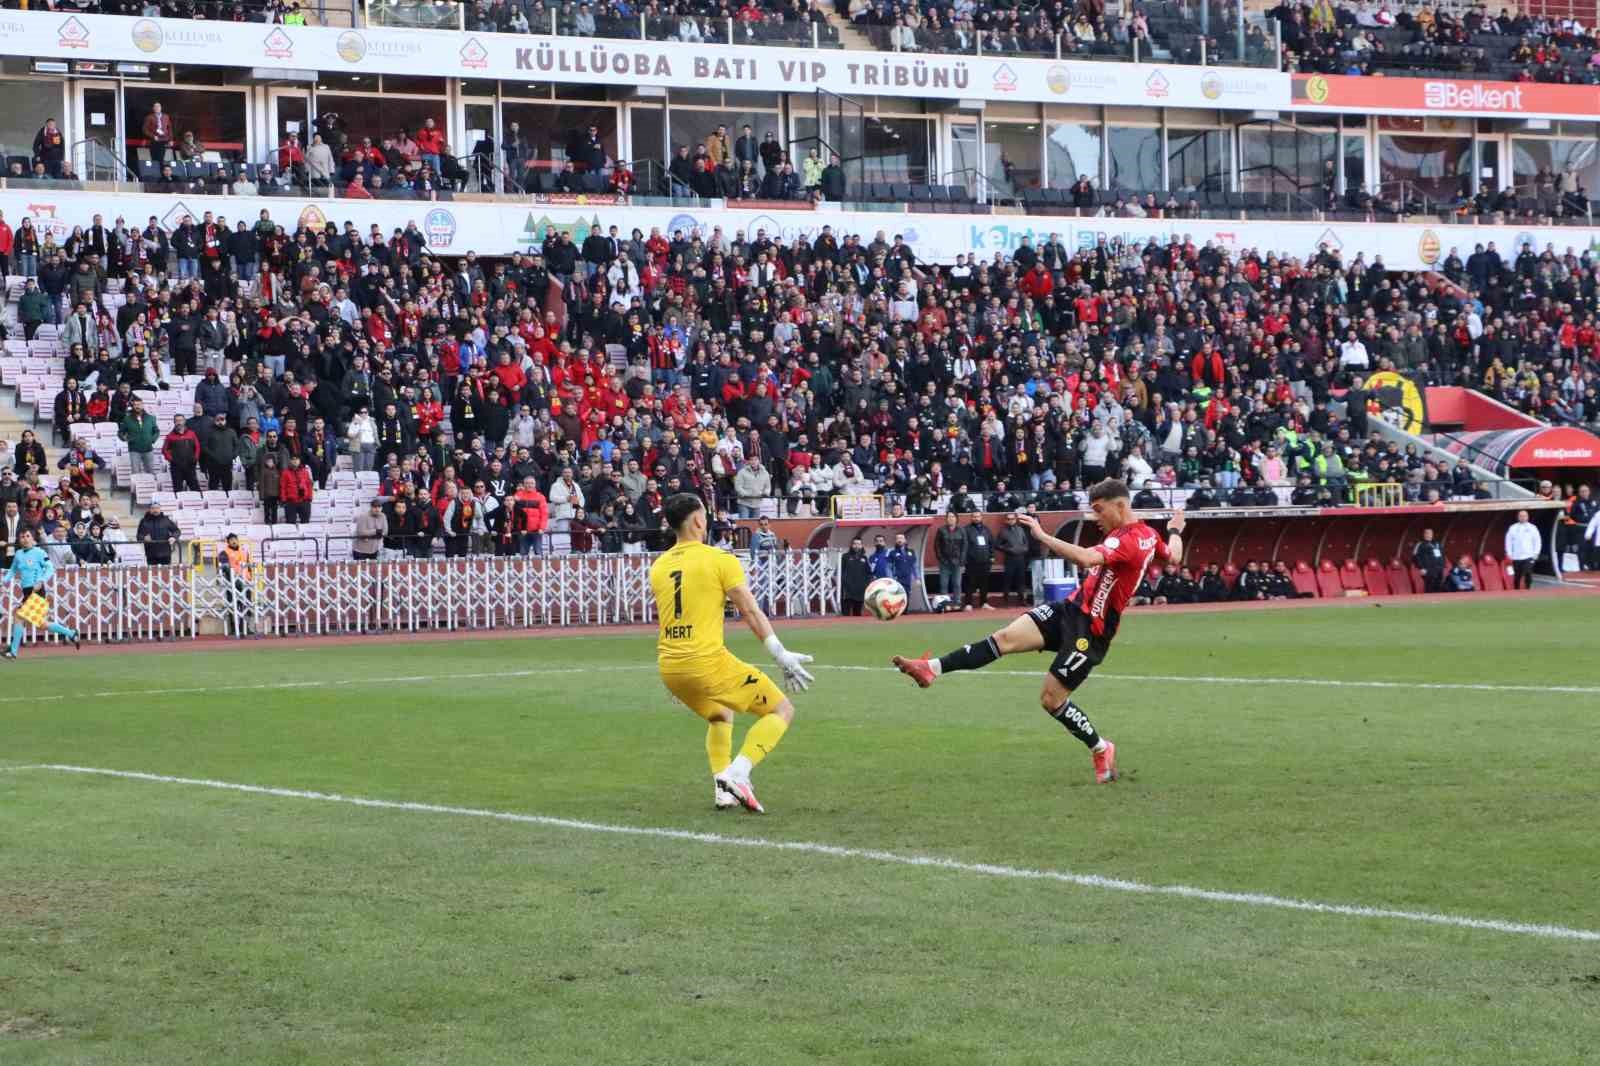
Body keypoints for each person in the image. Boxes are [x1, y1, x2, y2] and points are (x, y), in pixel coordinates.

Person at [893, 479, 1186, 784]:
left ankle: (1101, 747)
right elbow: (1174, 555)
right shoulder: (1149, 537)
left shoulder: (1125, 540)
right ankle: (931, 669)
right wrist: (1176, 529)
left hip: (1093, 630)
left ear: (1120, 506)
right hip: (1069, 610)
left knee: (1051, 699)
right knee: (1004, 638)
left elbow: (1086, 558)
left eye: (1099, 511)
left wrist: (1043, 535)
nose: (1096, 519)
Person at [649, 492, 814, 814]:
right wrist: (780, 654)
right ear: (699, 520)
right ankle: (738, 775)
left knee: (720, 713)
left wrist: (679, 680)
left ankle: (722, 789)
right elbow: (750, 612)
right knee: (781, 710)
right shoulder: (719, 559)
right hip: (706, 663)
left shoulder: (659, 565)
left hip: (670, 666)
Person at [3, 528, 81, 659]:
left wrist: (41, 580)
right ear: (19, 539)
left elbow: (50, 568)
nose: (25, 539)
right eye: (22, 537)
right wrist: (3, 582)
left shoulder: (39, 552)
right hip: (26, 592)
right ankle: (72, 633)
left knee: (18, 616)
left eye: (28, 536)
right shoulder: (18, 555)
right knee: (41, 624)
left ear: (33, 539)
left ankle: (13, 651)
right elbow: (12, 571)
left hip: (37, 591)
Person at [1503, 509, 1540, 589]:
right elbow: (1508, 541)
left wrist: (1536, 553)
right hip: (1516, 556)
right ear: (1518, 517)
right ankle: (1517, 589)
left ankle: (1528, 588)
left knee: (1528, 573)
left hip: (1529, 555)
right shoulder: (1513, 528)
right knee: (1517, 575)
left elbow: (1537, 541)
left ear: (1527, 517)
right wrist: (1509, 553)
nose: (1522, 517)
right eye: (1521, 516)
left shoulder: (1532, 528)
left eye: (1524, 516)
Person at [840, 535, 871, 616]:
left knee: (857, 614)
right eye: (854, 544)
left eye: (858, 544)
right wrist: (844, 582)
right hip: (847, 591)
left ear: (861, 546)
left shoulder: (864, 558)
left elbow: (868, 573)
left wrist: (865, 584)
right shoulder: (845, 557)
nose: (856, 546)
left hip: (860, 591)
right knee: (845, 614)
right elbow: (841, 572)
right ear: (851, 545)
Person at [1412, 528, 1445, 593]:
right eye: (1427, 533)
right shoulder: (1420, 544)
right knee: (1429, 587)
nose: (1428, 535)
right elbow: (1415, 557)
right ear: (1424, 534)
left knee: (1438, 587)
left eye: (1430, 533)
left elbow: (1442, 555)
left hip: (1438, 569)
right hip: (1427, 569)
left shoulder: (1437, 543)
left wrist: (1442, 565)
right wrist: (1421, 568)